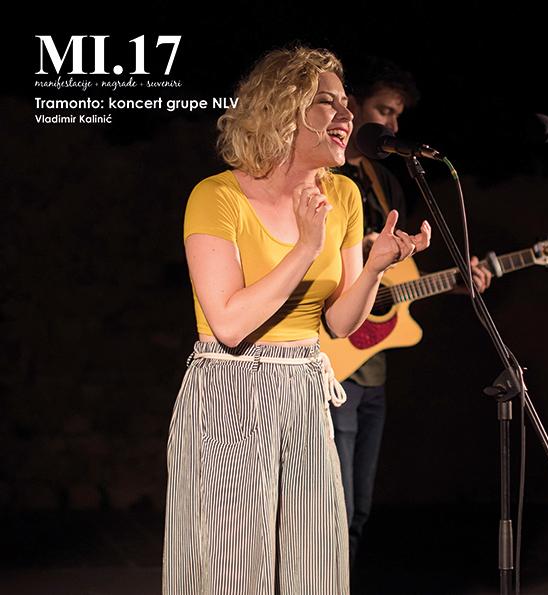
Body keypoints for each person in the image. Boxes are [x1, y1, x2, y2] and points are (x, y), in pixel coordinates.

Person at [162, 46, 430, 595]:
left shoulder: (344, 195)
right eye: (329, 102)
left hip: (305, 389)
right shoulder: (216, 196)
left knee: (314, 565)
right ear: (284, 110)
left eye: (347, 103)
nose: (348, 115)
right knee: (236, 570)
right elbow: (229, 324)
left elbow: (341, 323)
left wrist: (375, 268)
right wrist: (306, 246)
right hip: (232, 391)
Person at [330, 57, 492, 566]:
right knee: (332, 512)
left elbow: (394, 274)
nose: (394, 126)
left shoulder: (386, 182)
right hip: (330, 360)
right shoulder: (322, 178)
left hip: (371, 366)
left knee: (359, 510)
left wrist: (454, 283)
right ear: (352, 106)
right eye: (385, 111)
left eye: (398, 116)